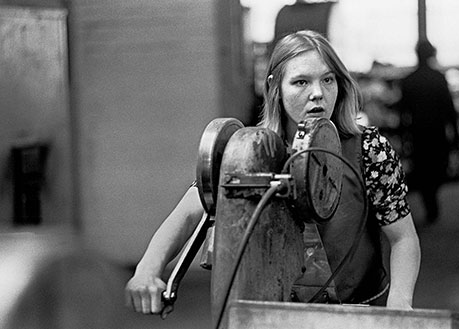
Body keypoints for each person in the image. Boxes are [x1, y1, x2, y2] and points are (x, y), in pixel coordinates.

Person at [125, 30, 421, 316]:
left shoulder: (370, 149)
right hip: (274, 316)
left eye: (327, 80)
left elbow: (402, 238)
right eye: (301, 82)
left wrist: (399, 302)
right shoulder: (249, 154)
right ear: (274, 88)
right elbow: (189, 213)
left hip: (357, 315)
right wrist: (146, 273)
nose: (318, 93)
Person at [399, 39, 458, 224]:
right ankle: (432, 202)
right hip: (437, 131)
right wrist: (455, 133)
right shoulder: (439, 78)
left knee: (423, 168)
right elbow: (449, 108)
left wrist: (404, 135)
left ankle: (429, 201)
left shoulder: (409, 81)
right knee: (436, 166)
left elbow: (403, 112)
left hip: (418, 133)